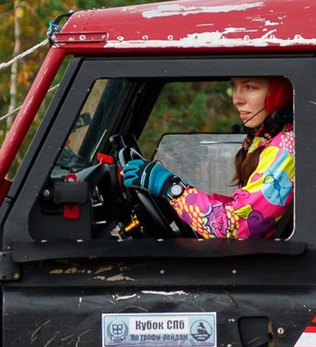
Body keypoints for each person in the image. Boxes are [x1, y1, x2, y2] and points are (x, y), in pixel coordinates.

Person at [118, 77, 295, 240]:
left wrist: (170, 188)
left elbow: (233, 228)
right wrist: (182, 201)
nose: (236, 99)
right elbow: (241, 207)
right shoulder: (266, 138)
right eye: (234, 86)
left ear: (278, 94)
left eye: (249, 87)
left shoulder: (284, 149)